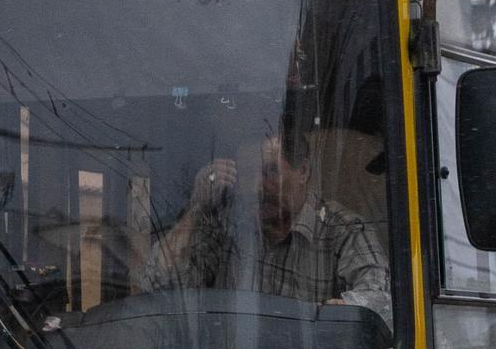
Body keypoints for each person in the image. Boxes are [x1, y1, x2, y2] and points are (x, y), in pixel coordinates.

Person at [145, 129, 391, 316]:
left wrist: (330, 315)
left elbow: (381, 300)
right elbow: (157, 285)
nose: (256, 187)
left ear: (303, 171)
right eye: (247, 174)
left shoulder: (343, 230)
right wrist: (196, 207)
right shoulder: (226, 228)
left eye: (270, 173)